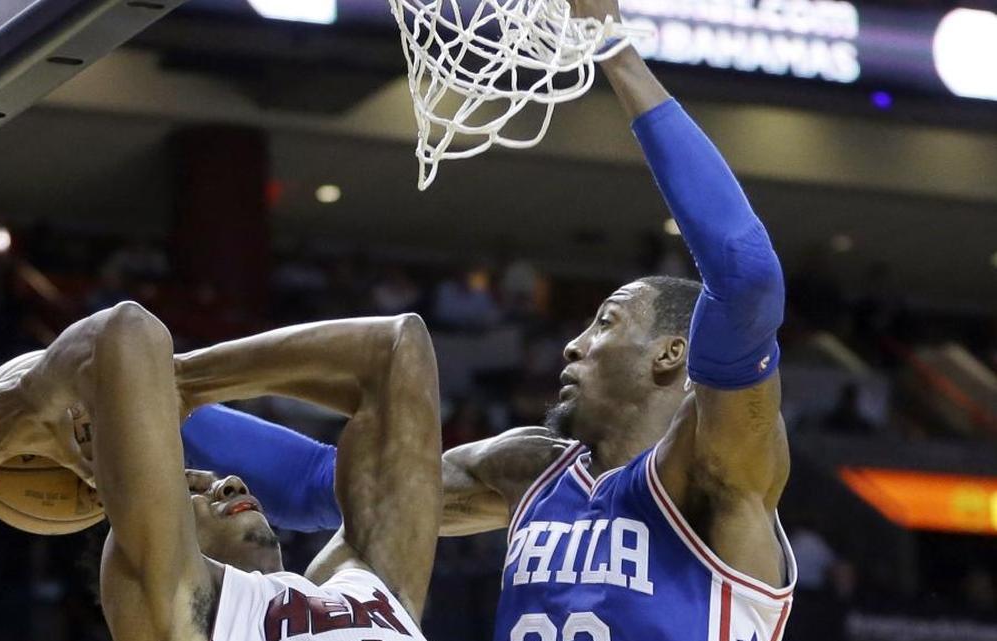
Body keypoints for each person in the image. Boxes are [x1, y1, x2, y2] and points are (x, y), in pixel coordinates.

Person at [179, 0, 799, 637]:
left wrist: (611, 45)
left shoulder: (715, 472)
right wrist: (148, 402)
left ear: (673, 352)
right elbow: (321, 483)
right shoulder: (530, 469)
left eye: (606, 322)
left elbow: (747, 277)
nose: (572, 346)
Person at [0, 305, 441, 641]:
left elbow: (400, 349)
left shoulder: (362, 584)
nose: (227, 483)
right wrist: (41, 390)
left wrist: (185, 383)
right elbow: (124, 333)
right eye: (194, 485)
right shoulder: (176, 608)